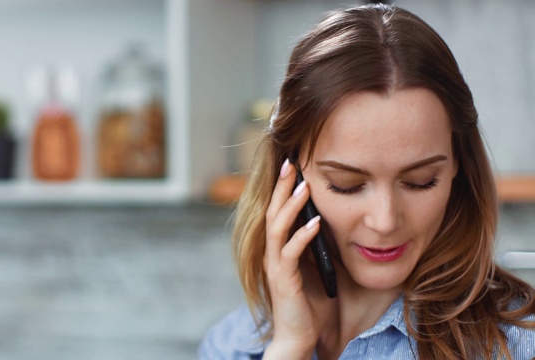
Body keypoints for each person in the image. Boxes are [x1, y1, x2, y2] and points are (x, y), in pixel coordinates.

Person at [199, 3, 535, 360]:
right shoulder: (232, 346)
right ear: (293, 172)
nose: (385, 220)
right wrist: (290, 348)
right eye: (346, 183)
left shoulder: (518, 344)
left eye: (421, 181)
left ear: (459, 165)